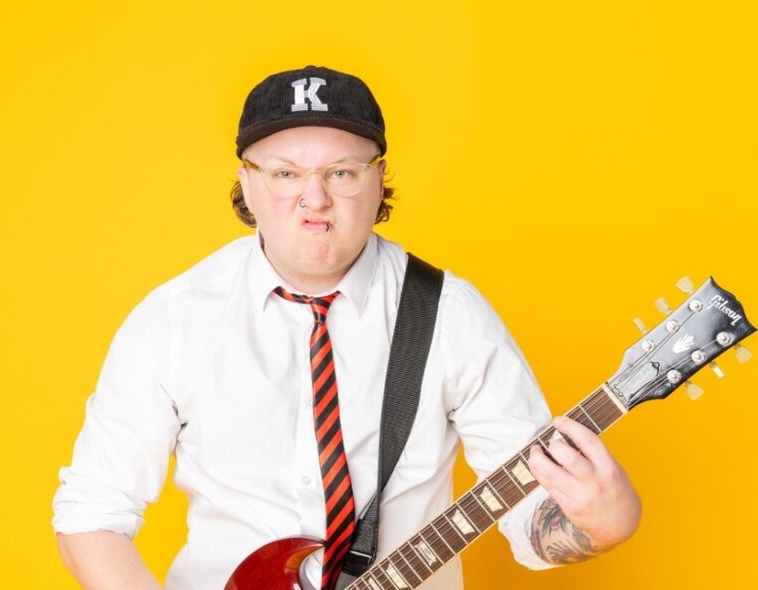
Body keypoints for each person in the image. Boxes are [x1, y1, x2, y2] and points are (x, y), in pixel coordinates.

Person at [52, 65, 641, 590]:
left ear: (379, 178)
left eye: (341, 172)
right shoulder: (174, 320)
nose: (314, 199)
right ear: (249, 183)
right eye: (285, 174)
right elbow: (91, 514)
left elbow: (533, 519)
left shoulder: (450, 316)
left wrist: (602, 523)